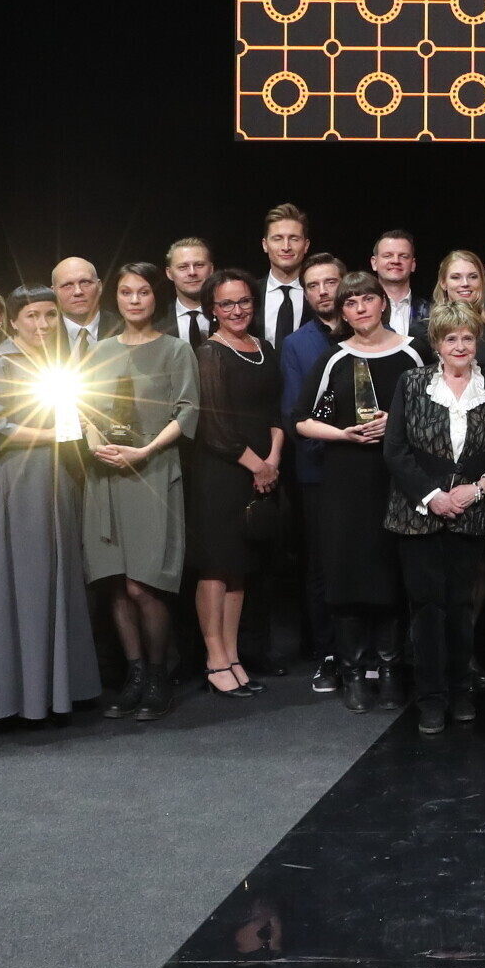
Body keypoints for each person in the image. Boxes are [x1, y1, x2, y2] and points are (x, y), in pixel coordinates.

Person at [0, 284, 104, 726]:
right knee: (26, 578)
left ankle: (62, 691)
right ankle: (21, 696)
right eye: (32, 316)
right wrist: (53, 434)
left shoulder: (58, 364)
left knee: (61, 573)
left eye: (49, 315)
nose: (42, 324)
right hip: (19, 477)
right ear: (14, 320)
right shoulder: (0, 363)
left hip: (60, 476)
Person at [295, 270, 427, 715]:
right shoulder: (334, 358)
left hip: (397, 480)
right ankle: (353, 672)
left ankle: (390, 671)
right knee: (347, 575)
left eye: (367, 299)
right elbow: (301, 419)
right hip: (346, 482)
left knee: (391, 574)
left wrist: (398, 422)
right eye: (350, 303)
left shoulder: (414, 352)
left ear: (382, 302)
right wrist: (343, 434)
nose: (360, 309)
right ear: (343, 312)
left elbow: (437, 411)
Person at [380, 301, 485, 736]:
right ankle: (431, 699)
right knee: (427, 609)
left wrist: (478, 488)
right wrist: (433, 496)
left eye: (467, 338)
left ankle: (461, 691)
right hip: (418, 516)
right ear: (436, 343)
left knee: (461, 607)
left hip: (471, 513)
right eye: (451, 338)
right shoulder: (413, 383)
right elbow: (395, 449)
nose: (460, 346)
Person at [83, 262, 197, 722]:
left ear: (156, 297)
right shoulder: (99, 351)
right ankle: (133, 675)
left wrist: (146, 450)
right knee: (114, 583)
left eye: (143, 292)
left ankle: (157, 676)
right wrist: (95, 444)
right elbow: (82, 409)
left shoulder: (175, 350)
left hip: (153, 473)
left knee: (143, 584)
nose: (134, 300)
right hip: (105, 474)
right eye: (126, 292)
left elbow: (187, 411)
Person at [187, 270, 282, 699]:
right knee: (216, 567)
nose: (237, 310)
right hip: (221, 473)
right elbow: (214, 427)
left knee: (240, 568)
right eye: (226, 304)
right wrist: (257, 465)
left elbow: (277, 411)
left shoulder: (265, 348)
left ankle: (233, 655)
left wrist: (273, 460)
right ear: (213, 309)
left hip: (262, 470)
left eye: (243, 301)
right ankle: (215, 659)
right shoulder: (210, 353)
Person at [277, 252, 346, 688]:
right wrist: (337, 441)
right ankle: (329, 653)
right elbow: (292, 414)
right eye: (313, 285)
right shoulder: (296, 343)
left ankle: (370, 652)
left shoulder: (370, 333)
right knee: (321, 566)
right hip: (318, 470)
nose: (323, 292)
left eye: (330, 282)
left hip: (369, 470)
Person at [254, 203, 314, 343]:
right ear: (265, 245)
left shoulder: (320, 294)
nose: (286, 247)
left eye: (294, 239)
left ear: (306, 245)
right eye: (278, 238)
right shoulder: (251, 294)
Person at [51, 256, 110, 355]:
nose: (78, 291)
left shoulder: (125, 329)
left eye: (85, 282)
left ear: (99, 287)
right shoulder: (42, 336)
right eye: (67, 285)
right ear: (54, 292)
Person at [371, 229, 424, 340]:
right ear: (374, 263)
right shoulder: (360, 311)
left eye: (403, 256)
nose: (395, 261)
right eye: (387, 256)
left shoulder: (431, 311)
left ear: (413, 264)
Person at [164, 238, 216, 346]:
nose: (192, 272)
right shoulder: (155, 321)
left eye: (199, 265)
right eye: (183, 267)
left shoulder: (230, 316)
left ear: (211, 269)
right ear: (169, 273)